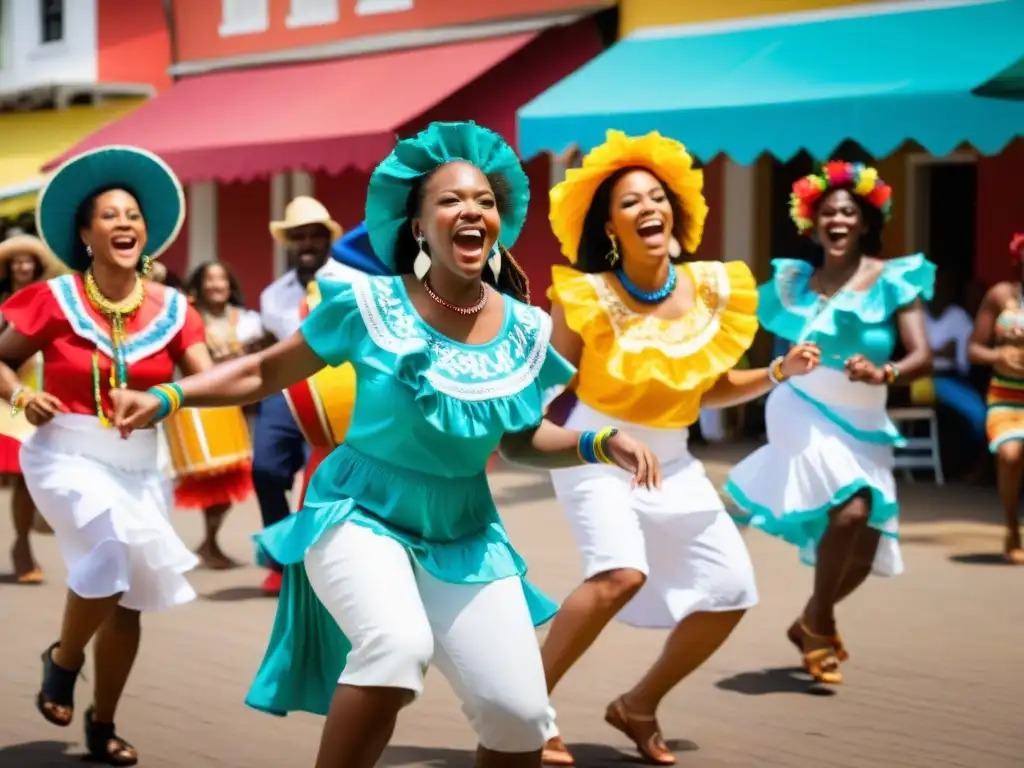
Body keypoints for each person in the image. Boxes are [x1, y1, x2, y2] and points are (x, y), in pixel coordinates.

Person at [109, 121, 661, 768]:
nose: (472, 210)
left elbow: (519, 440)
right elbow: (267, 370)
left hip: (464, 533)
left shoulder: (525, 329)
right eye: (451, 200)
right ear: (420, 227)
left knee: (519, 716)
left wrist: (599, 443)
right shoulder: (369, 304)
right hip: (358, 512)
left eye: (484, 200)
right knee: (396, 648)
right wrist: (170, 397)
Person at [538, 130, 819, 766]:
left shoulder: (711, 288)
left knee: (729, 591)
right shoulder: (584, 297)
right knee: (617, 576)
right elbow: (544, 386)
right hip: (597, 452)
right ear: (610, 226)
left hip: (676, 463)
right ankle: (524, 709)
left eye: (657, 197)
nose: (648, 209)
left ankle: (636, 706)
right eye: (631, 202)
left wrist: (779, 373)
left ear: (676, 211)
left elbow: (711, 390)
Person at [0, 146, 210, 765]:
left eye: (134, 216)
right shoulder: (52, 299)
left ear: (146, 232)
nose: (125, 224)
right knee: (112, 549)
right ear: (86, 234)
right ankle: (63, 661)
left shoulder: (176, 309)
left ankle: (103, 723)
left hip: (143, 461)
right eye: (110, 216)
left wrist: (169, 398)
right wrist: (22, 398)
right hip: (63, 450)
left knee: (130, 599)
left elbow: (207, 383)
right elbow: (1, 362)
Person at [725, 161, 934, 685]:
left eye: (848, 211)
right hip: (800, 405)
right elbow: (748, 339)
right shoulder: (795, 283)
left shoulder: (894, 280)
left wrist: (883, 371)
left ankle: (811, 618)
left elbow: (922, 357)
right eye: (827, 213)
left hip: (866, 416)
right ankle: (819, 624)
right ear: (813, 224)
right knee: (850, 511)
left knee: (866, 546)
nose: (837, 219)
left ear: (864, 222)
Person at [253, 196, 350, 595]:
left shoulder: (353, 282)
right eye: (299, 237)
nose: (307, 243)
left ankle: (321, 562)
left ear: (327, 239)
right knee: (265, 470)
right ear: (289, 243)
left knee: (329, 478)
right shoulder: (272, 296)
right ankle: (280, 556)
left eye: (314, 235)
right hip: (286, 393)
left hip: (339, 392)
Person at [159, 261, 264, 568]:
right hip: (196, 405)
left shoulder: (246, 320)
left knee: (232, 473)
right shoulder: (185, 316)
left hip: (231, 405)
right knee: (208, 473)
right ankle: (202, 543)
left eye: (222, 279)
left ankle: (209, 541)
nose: (217, 285)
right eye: (210, 279)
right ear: (200, 285)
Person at [0, 231, 66, 583]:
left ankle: (38, 524)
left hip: (48, 392)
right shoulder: (2, 305)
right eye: (16, 261)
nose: (23, 266)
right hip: (9, 397)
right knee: (23, 475)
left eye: (28, 260)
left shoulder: (48, 300)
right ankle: (22, 545)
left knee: (42, 472)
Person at [967, 232, 1024, 564]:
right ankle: (1010, 524)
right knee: (1010, 456)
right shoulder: (1000, 296)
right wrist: (998, 358)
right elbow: (973, 348)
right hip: (1005, 397)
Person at [923, 270, 987, 477]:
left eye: (942, 288)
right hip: (919, 379)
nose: (936, 292)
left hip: (949, 378)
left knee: (979, 415)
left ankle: (976, 467)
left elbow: (964, 359)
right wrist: (939, 351)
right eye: (932, 287)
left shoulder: (957, 316)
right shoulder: (917, 315)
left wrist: (932, 352)